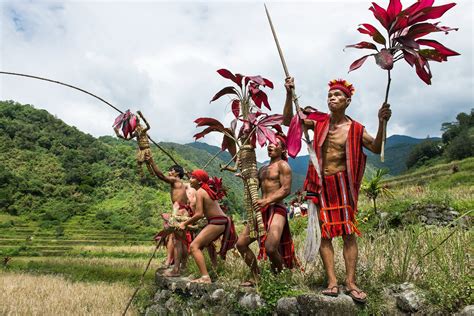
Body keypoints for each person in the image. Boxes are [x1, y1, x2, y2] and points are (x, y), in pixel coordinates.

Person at [283, 77, 392, 303]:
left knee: (348, 233)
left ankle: (350, 282)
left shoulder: (356, 128)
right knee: (325, 233)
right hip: (322, 183)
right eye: (330, 95)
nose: (332, 98)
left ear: (348, 101)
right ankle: (332, 281)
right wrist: (288, 92)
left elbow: (375, 146)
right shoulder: (319, 122)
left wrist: (381, 122)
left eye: (338, 95)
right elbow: (288, 121)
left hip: (343, 184)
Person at [236, 135, 297, 286]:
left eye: (275, 144)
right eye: (269, 143)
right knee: (241, 244)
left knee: (270, 248)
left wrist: (267, 201)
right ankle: (256, 276)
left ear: (283, 149)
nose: (270, 146)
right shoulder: (263, 169)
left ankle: (281, 278)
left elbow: (286, 189)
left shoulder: (283, 166)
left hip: (277, 208)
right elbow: (254, 185)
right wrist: (246, 178)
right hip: (261, 210)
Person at [179, 169, 237, 284]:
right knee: (208, 244)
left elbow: (199, 214)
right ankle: (215, 270)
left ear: (199, 181)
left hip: (217, 222)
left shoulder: (200, 191)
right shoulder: (205, 189)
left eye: (193, 177)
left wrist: (184, 224)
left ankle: (205, 277)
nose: (190, 180)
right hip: (220, 221)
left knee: (194, 246)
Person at [151, 164, 192, 277]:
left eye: (171, 170)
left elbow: (160, 175)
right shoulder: (184, 184)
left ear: (177, 173)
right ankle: (183, 266)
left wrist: (151, 162)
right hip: (184, 212)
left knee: (177, 242)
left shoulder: (175, 181)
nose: (169, 173)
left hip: (179, 212)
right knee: (182, 241)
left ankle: (176, 270)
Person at [114, 111, 154, 179]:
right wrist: (119, 135)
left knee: (148, 163)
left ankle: (152, 174)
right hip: (141, 149)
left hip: (146, 148)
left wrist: (142, 116)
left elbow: (148, 127)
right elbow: (128, 139)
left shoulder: (143, 130)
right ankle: (142, 176)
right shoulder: (136, 132)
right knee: (139, 164)